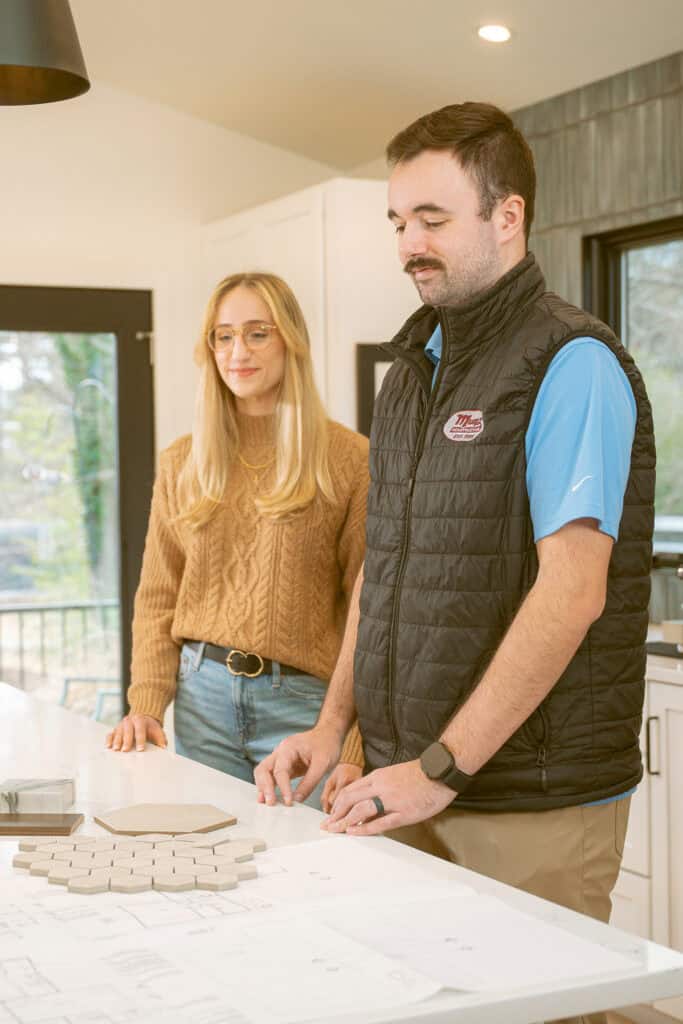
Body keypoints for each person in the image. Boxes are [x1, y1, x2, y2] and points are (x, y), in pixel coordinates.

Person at [255, 102, 655, 1022]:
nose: (408, 243)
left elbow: (572, 592)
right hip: (406, 788)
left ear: (505, 217)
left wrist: (440, 765)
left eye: (432, 219)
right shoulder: (410, 376)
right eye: (398, 221)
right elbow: (382, 575)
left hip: (526, 804)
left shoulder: (573, 361)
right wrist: (331, 729)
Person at [106, 272, 368, 806]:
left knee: (312, 876)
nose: (237, 352)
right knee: (214, 869)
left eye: (256, 333)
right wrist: (147, 705)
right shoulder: (183, 461)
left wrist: (354, 739)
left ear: (290, 341)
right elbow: (158, 596)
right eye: (223, 336)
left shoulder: (350, 461)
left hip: (305, 710)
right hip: (201, 700)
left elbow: (374, 610)